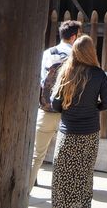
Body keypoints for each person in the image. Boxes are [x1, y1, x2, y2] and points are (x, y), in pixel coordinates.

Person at [50, 34, 107, 208]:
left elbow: (55, 104)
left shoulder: (66, 71)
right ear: (91, 52)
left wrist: (68, 110)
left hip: (67, 134)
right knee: (83, 176)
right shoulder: (99, 74)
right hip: (89, 135)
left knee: (62, 177)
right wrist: (93, 108)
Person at [29, 19, 82, 192]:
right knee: (68, 159)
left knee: (36, 156)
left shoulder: (47, 53)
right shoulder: (77, 57)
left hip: (46, 109)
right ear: (74, 37)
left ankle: (25, 192)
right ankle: (64, 196)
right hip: (69, 114)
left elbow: (40, 79)